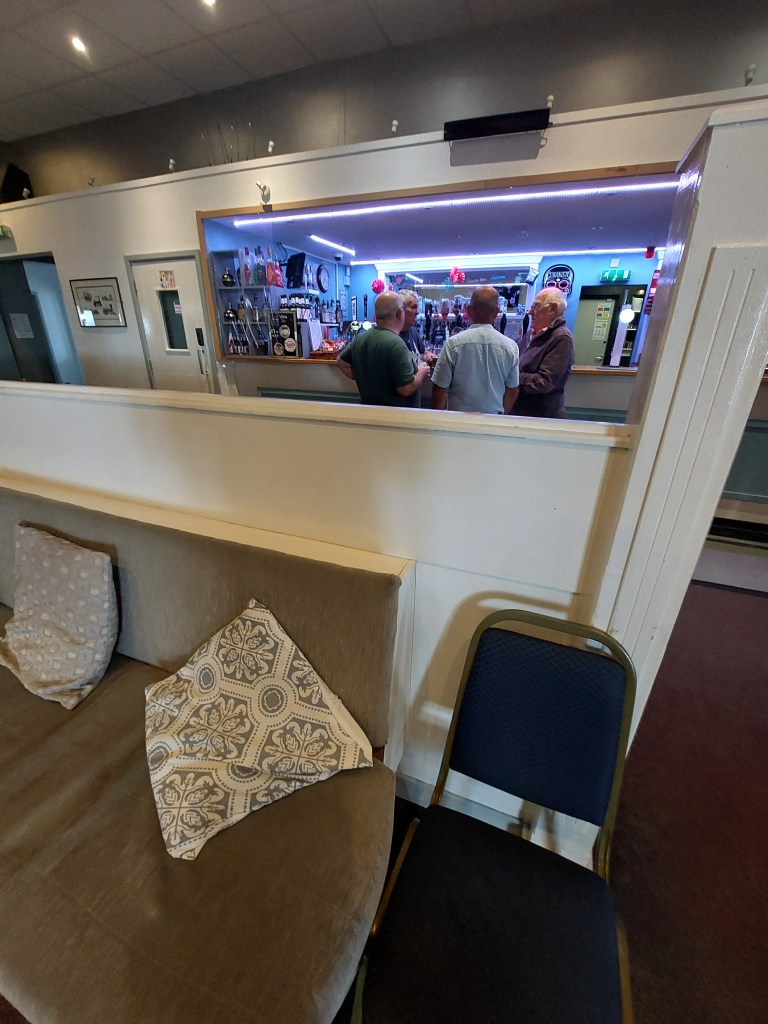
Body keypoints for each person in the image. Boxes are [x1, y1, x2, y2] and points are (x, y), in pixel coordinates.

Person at [430, 286, 519, 415]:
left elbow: (439, 390)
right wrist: (502, 417)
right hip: (493, 419)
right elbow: (513, 390)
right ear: (497, 312)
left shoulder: (453, 344)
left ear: (468, 310)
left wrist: (438, 420)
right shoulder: (511, 347)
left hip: (458, 420)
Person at [336, 291, 431, 407]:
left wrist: (367, 378)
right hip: (397, 414)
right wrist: (421, 372)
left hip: (368, 410)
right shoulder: (396, 343)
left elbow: (341, 362)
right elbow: (406, 388)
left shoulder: (361, 338)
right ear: (399, 313)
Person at [511, 287, 574, 418]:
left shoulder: (561, 338)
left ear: (552, 309)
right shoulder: (531, 334)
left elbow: (544, 382)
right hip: (520, 412)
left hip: (540, 417)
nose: (530, 312)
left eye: (536, 306)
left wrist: (511, 376)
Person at [399, 290, 436, 366]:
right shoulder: (394, 337)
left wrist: (429, 356)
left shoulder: (412, 330)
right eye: (413, 307)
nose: (417, 312)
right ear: (401, 310)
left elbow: (423, 352)